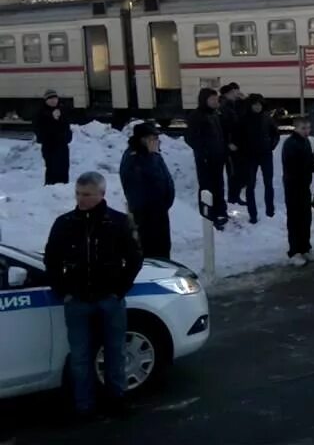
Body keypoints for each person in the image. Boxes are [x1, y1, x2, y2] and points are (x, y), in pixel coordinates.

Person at [42, 172, 143, 420]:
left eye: (87, 194)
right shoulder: (65, 223)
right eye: (78, 194)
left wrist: (119, 290)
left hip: (109, 299)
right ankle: (83, 405)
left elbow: (134, 259)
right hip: (77, 300)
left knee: (115, 352)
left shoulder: (118, 223)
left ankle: (116, 399)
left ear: (102, 194)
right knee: (80, 356)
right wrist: (63, 291)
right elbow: (51, 260)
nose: (81, 199)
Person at [119, 122, 175, 259]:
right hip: (146, 216)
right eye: (154, 139)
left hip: (160, 212)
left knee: (163, 249)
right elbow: (138, 189)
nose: (157, 142)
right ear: (144, 140)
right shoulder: (134, 159)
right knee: (151, 250)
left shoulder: (154, 155)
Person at [185, 87, 229, 229]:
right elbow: (190, 138)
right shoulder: (197, 116)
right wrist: (203, 152)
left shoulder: (215, 114)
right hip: (205, 159)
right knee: (207, 188)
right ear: (205, 100)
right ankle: (208, 215)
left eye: (217, 99)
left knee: (218, 185)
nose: (216, 101)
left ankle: (220, 212)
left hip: (217, 157)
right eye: (213, 99)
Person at [235, 93, 280, 224]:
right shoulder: (244, 119)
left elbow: (275, 133)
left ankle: (270, 210)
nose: (257, 107)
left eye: (259, 104)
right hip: (250, 156)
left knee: (269, 183)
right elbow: (238, 137)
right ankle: (252, 213)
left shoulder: (267, 118)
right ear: (250, 105)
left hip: (265, 154)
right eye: (255, 104)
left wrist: (271, 145)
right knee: (250, 185)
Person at [281, 117, 314, 266]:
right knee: (295, 219)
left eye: (308, 128)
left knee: (305, 217)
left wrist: (312, 164)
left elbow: (309, 161)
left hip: (304, 185)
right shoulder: (290, 143)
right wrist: (311, 165)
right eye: (303, 128)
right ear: (295, 128)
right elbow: (296, 164)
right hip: (293, 186)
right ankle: (295, 251)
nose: (306, 131)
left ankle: (305, 248)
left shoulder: (305, 142)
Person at [34, 88, 72, 185]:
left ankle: (63, 189)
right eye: (50, 99)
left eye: (55, 98)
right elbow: (39, 130)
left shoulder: (62, 110)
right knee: (52, 170)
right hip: (50, 147)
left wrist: (68, 137)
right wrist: (51, 117)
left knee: (64, 169)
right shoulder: (41, 113)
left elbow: (67, 126)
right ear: (46, 101)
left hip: (62, 146)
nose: (53, 100)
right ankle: (50, 190)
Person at [218, 83, 245, 205]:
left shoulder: (233, 104)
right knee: (233, 172)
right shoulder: (223, 107)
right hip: (230, 145)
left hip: (235, 144)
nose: (236, 94)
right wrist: (228, 143)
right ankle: (232, 197)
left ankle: (234, 196)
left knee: (236, 172)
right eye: (234, 92)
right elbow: (223, 128)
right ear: (227, 94)